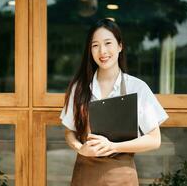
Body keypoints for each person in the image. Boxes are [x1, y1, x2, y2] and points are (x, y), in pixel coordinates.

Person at [60, 18, 169, 186]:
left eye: (108, 43)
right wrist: (81, 148)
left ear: (120, 46)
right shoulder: (79, 88)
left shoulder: (137, 87)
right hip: (85, 176)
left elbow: (154, 140)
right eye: (95, 45)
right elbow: (70, 132)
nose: (102, 51)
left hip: (123, 178)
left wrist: (113, 146)